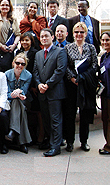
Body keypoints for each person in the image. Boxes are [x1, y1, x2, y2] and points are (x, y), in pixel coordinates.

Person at [33, 28, 67, 157]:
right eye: (42, 36)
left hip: (55, 92)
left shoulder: (60, 52)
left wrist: (48, 84)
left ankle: (56, 146)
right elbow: (35, 71)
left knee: (55, 119)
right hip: (42, 92)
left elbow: (60, 70)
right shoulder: (38, 54)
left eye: (46, 36)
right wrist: (39, 84)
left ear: (52, 37)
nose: (44, 38)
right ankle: (49, 140)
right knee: (46, 119)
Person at [65, 22, 98, 152]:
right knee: (70, 114)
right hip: (72, 85)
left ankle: (84, 141)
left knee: (85, 114)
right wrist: (73, 78)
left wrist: (83, 77)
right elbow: (66, 65)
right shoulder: (68, 47)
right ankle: (70, 142)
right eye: (77, 32)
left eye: (81, 32)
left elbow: (94, 65)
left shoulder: (91, 48)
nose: (79, 34)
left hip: (85, 85)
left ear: (85, 34)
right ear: (73, 34)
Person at [5, 53, 32, 154]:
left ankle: (12, 131)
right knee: (19, 107)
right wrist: (13, 95)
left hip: (24, 101)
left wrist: (20, 93)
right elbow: (6, 92)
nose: (20, 66)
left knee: (18, 102)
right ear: (13, 63)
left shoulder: (28, 75)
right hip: (10, 101)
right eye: (17, 63)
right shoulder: (7, 74)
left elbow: (24, 90)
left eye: (22, 64)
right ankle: (22, 143)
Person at [0, 0, 21, 72]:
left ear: (10, 7)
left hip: (9, 52)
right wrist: (1, 46)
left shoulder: (13, 20)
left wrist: (14, 45)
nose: (4, 7)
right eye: (2, 5)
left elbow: (18, 34)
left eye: (7, 5)